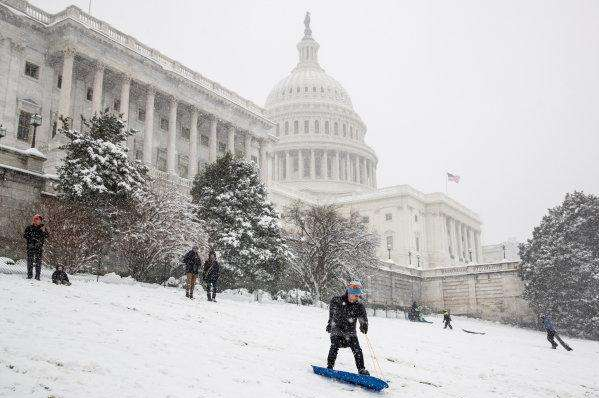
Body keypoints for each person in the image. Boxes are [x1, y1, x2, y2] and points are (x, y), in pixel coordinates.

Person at [326, 281, 370, 376]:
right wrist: (330, 323)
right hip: (337, 330)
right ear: (349, 293)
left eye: (358, 296)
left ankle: (361, 369)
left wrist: (364, 325)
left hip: (350, 333)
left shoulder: (359, 306)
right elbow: (332, 313)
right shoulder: (336, 301)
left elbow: (363, 318)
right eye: (355, 295)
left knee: (357, 349)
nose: (357, 297)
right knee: (334, 346)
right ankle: (330, 366)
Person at [23, 214, 49, 280]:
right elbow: (25, 236)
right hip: (30, 247)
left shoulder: (41, 228)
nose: (38, 221)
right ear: (34, 220)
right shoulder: (29, 228)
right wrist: (31, 239)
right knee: (30, 261)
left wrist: (46, 232)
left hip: (39, 247)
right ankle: (29, 275)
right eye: (37, 219)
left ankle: (37, 276)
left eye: (40, 220)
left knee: (38, 262)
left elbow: (45, 236)